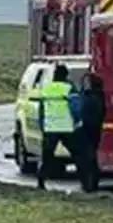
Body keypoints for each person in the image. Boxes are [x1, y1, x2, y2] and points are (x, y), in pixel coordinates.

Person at [32, 63, 80, 191]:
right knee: (79, 155)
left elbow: (41, 111)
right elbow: (75, 107)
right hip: (67, 127)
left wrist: (42, 126)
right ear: (66, 76)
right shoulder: (69, 88)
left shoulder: (46, 89)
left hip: (50, 128)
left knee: (47, 157)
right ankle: (86, 182)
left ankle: (41, 182)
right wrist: (78, 121)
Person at [77, 72, 107, 192]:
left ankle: (88, 183)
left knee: (87, 157)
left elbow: (83, 111)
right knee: (91, 156)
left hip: (87, 128)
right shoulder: (100, 96)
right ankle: (92, 182)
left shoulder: (88, 97)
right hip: (95, 129)